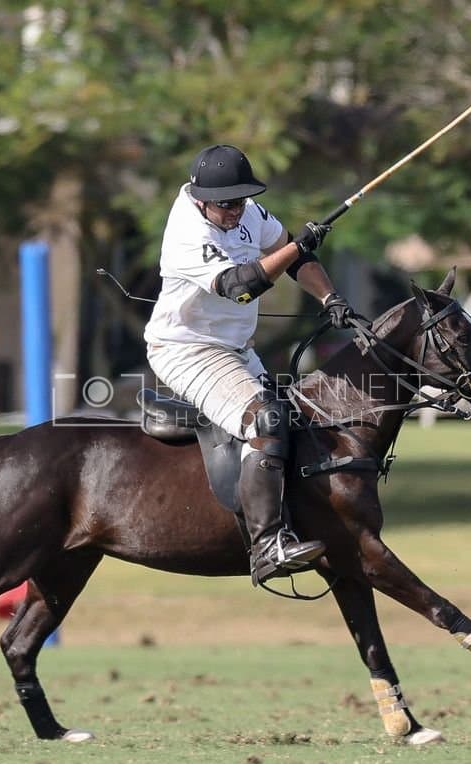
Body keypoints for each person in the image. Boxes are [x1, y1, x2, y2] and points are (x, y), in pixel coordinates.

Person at [143, 143, 358, 585]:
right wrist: (296, 246)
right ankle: (266, 547)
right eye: (226, 204)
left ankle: (302, 521)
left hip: (235, 348)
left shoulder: (247, 212)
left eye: (241, 200)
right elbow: (240, 287)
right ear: (201, 198)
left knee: (302, 421)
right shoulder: (188, 231)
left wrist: (330, 297)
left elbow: (294, 257)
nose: (236, 211)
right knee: (266, 420)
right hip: (187, 350)